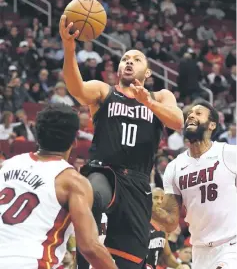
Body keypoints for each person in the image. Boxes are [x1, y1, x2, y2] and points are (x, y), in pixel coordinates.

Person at [59, 15, 184, 269]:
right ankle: (85, 258)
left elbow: (178, 122)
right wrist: (69, 47)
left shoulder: (161, 96)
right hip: (105, 171)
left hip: (138, 183)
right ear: (118, 69)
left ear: (147, 72)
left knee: (131, 260)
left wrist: (148, 102)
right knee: (91, 195)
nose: (129, 62)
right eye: (125, 58)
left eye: (136, 59)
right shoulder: (105, 92)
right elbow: (77, 88)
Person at [0, 103, 117, 269]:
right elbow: (89, 247)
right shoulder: (72, 181)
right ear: (74, 141)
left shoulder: (7, 165)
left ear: (37, 134)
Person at [152, 100, 237, 269]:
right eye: (189, 114)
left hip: (230, 244)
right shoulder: (174, 167)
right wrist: (144, 202)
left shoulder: (227, 153)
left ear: (212, 124)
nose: (190, 115)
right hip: (199, 250)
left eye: (198, 113)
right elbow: (170, 222)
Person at [143, 188, 189, 269]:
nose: (159, 202)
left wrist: (179, 266)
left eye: (162, 199)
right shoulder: (141, 221)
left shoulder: (163, 227)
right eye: (156, 198)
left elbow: (167, 256)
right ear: (148, 199)